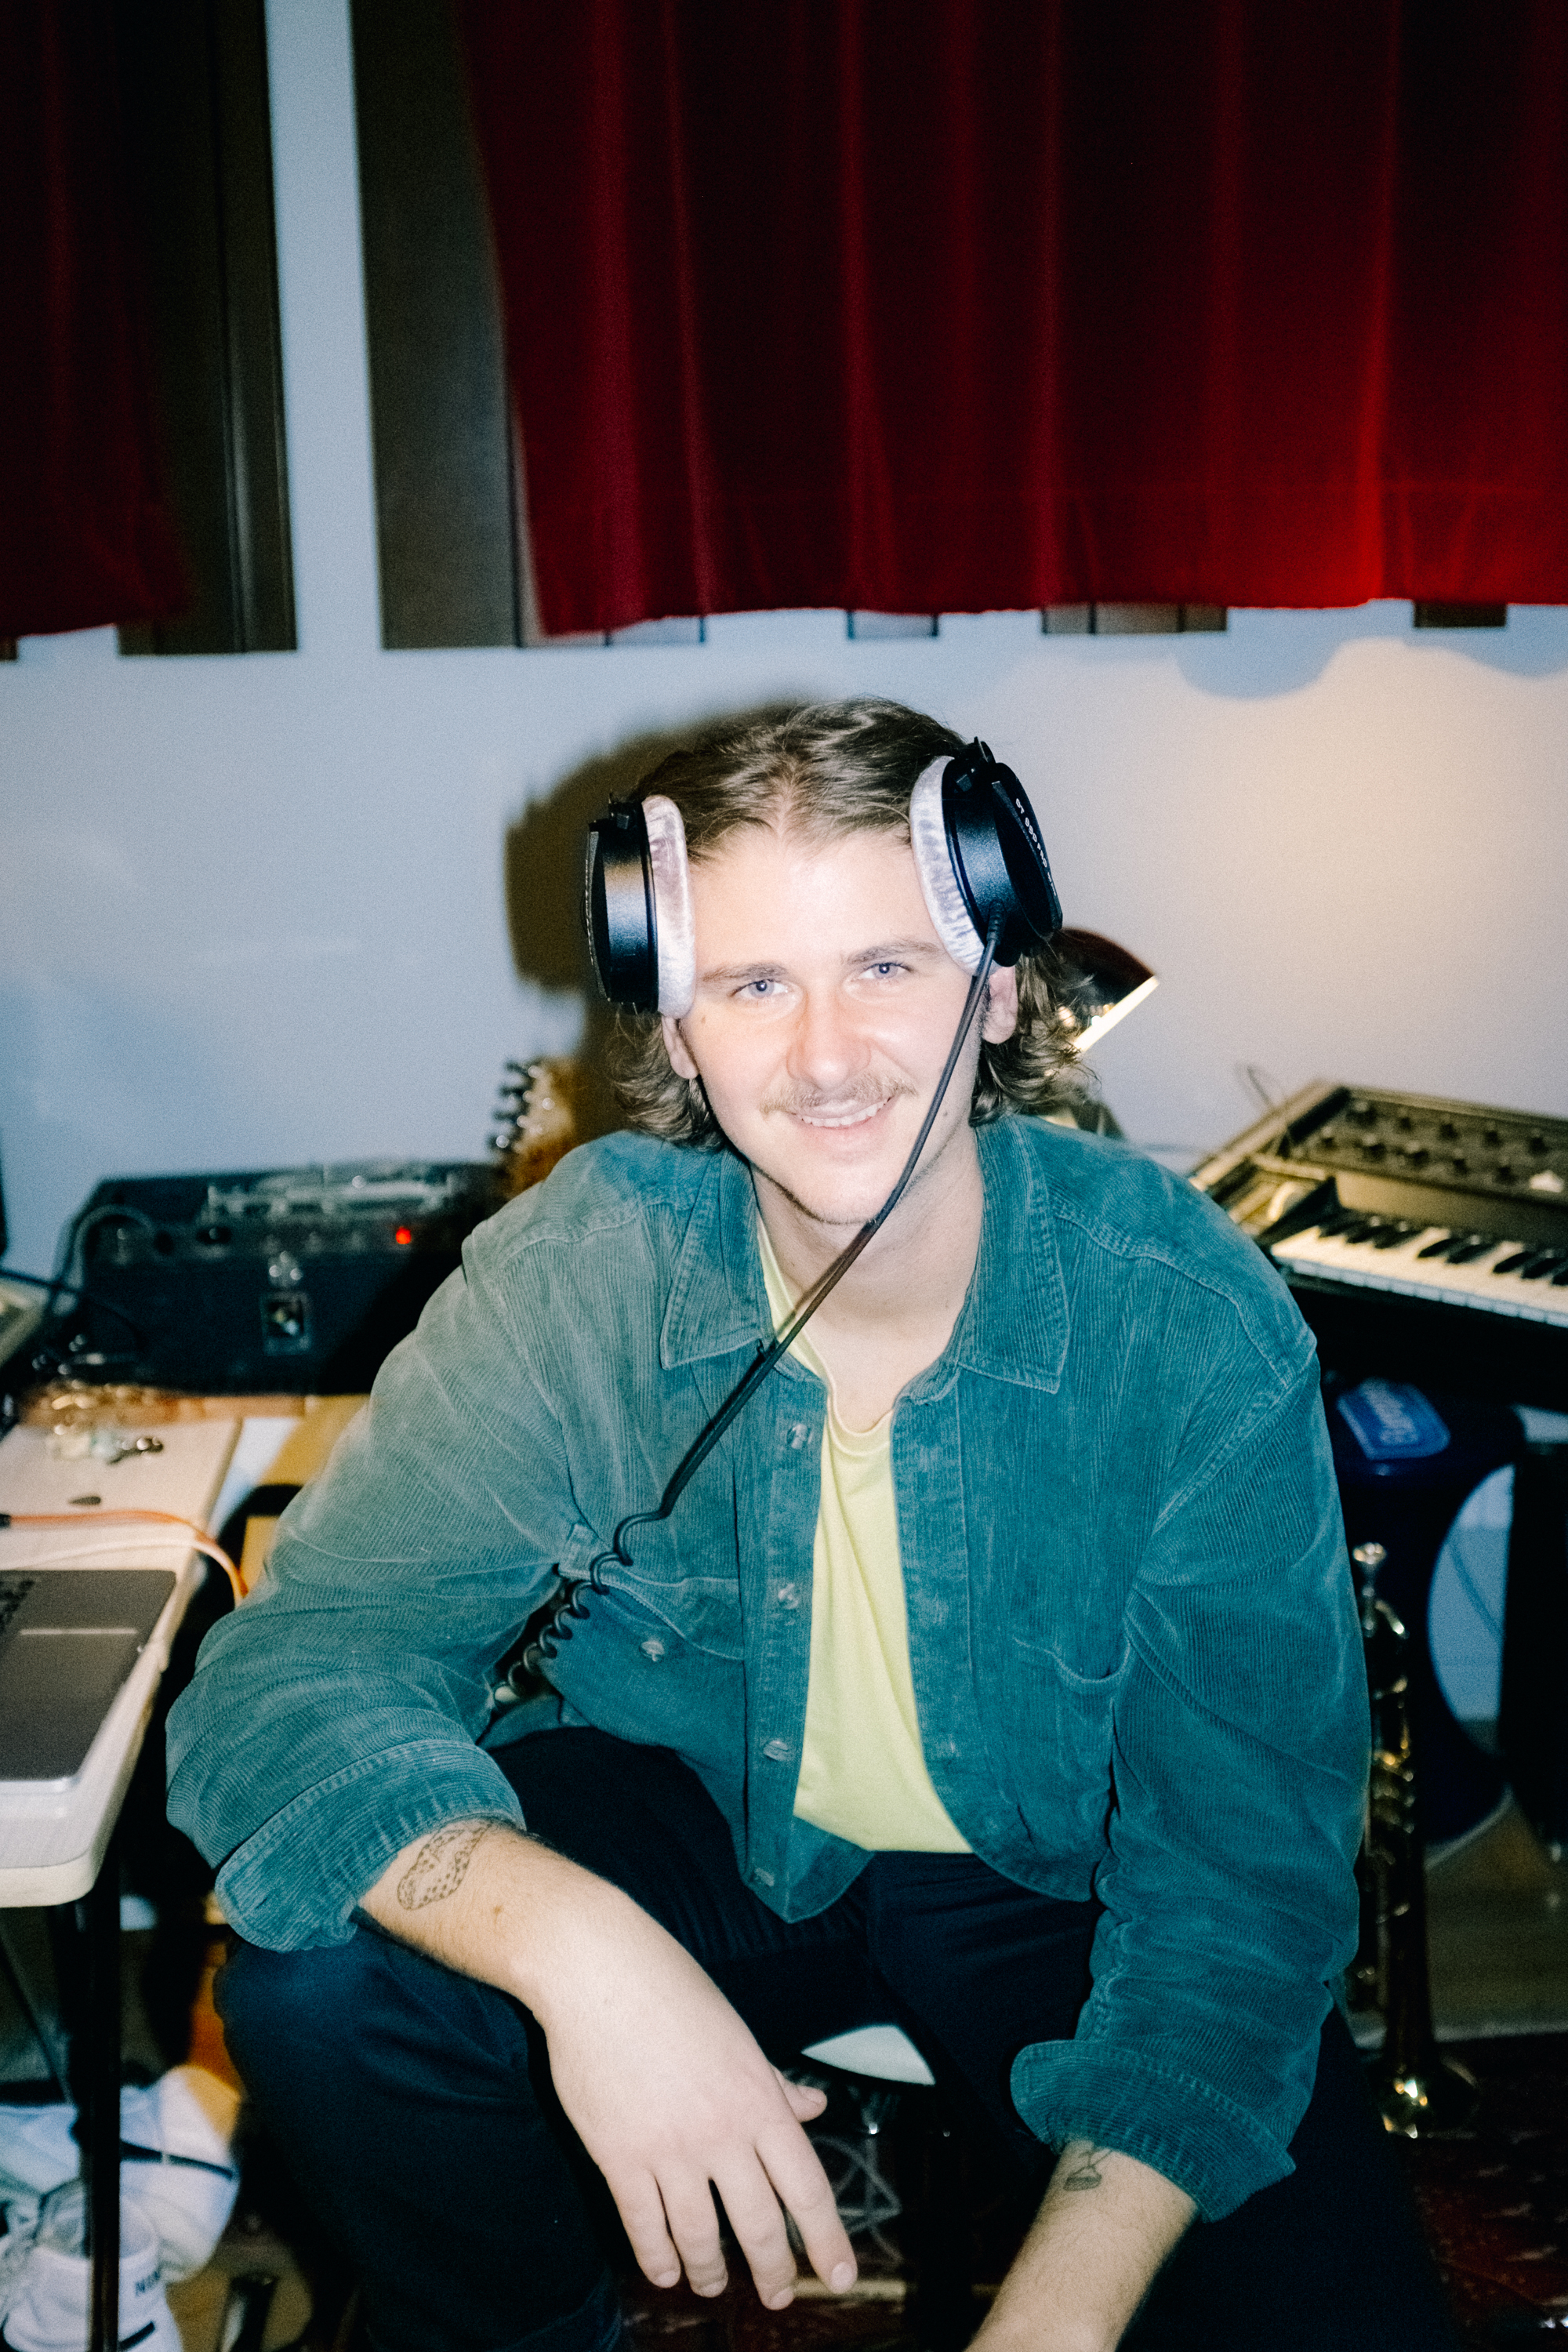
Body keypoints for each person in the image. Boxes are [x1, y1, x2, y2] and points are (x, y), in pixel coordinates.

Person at [167, 700, 1456, 2352]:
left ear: (1000, 987)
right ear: (676, 1025)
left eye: (887, 967)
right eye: (754, 984)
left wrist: (1059, 2321)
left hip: (1069, 1874)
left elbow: (1243, 1885)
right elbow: (286, 1677)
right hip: (702, 1812)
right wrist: (582, 1953)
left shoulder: (1181, 1315)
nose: (826, 1059)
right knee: (330, 1983)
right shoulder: (587, 1270)